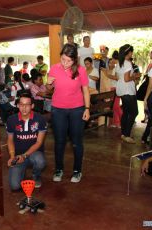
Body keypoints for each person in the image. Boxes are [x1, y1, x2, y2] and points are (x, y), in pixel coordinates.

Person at [47, 44, 90, 183]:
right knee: (59, 141)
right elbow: (49, 88)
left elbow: (85, 90)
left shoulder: (81, 70)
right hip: (58, 109)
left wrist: (87, 108)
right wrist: (48, 83)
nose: (65, 63)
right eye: (63, 59)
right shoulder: (54, 68)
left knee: (77, 142)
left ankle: (77, 171)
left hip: (77, 109)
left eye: (69, 61)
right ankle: (58, 169)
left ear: (75, 60)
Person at [6, 93, 47, 190]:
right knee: (15, 186)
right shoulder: (11, 120)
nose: (24, 108)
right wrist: (12, 157)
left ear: (32, 106)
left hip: (33, 154)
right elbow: (10, 139)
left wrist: (24, 156)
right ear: (17, 105)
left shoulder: (40, 119)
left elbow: (39, 142)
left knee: (40, 161)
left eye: (27, 104)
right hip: (18, 156)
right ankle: (21, 169)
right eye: (21, 104)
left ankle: (36, 175)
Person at [116, 44, 140, 144]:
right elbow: (126, 79)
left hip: (121, 89)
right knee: (134, 112)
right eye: (131, 52)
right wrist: (135, 76)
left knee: (126, 112)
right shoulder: (128, 63)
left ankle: (123, 133)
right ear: (128, 53)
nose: (132, 53)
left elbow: (119, 77)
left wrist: (132, 76)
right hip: (128, 90)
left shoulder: (119, 63)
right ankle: (126, 134)